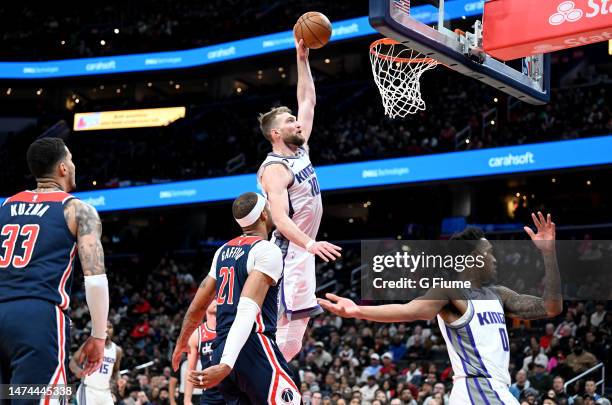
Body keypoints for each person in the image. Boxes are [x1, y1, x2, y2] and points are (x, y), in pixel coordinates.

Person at [320, 212, 563, 405]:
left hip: (494, 388)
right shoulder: (450, 292)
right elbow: (410, 310)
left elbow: (551, 307)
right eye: (489, 253)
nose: (495, 259)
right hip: (477, 388)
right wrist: (357, 311)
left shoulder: (498, 294)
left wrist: (549, 254)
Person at [0, 137, 109, 403]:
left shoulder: (4, 207)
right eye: (70, 159)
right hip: (38, 318)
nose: (73, 165)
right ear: (62, 167)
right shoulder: (78, 210)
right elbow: (95, 280)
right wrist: (98, 336)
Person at [257, 38, 342, 361]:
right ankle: (256, 382)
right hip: (289, 251)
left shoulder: (300, 149)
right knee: (280, 328)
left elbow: (308, 100)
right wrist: (310, 245)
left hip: (303, 249)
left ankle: (265, 380)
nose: (297, 122)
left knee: (295, 335)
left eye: (295, 120)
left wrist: (301, 57)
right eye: (289, 121)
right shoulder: (274, 169)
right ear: (276, 134)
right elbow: (279, 219)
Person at [172, 192, 301, 404]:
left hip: (221, 345)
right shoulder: (267, 251)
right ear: (263, 215)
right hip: (250, 345)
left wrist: (181, 342)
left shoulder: (223, 251)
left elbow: (198, 305)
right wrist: (227, 364)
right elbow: (247, 309)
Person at [71, 321, 123, 404]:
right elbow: (73, 361)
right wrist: (77, 371)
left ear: (113, 330)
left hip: (106, 392)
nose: (107, 329)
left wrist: (119, 379)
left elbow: (116, 371)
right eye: (104, 326)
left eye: (109, 327)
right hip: (89, 390)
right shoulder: (90, 345)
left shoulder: (117, 350)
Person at [183, 301, 224, 405]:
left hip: (234, 389)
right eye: (214, 298)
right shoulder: (197, 335)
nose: (218, 300)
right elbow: (190, 370)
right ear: (204, 304)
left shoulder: (232, 329)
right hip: (211, 393)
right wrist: (187, 400)